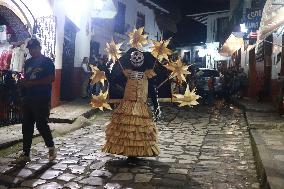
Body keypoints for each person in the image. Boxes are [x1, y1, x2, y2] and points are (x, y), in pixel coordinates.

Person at [12, 38, 56, 164]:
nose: (32, 51)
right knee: (26, 125)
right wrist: (23, 83)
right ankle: (26, 153)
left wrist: (32, 83)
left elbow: (51, 78)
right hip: (28, 97)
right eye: (30, 49)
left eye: (35, 48)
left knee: (41, 124)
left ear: (39, 48)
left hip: (41, 97)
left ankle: (51, 148)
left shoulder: (47, 62)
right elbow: (27, 77)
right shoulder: (28, 62)